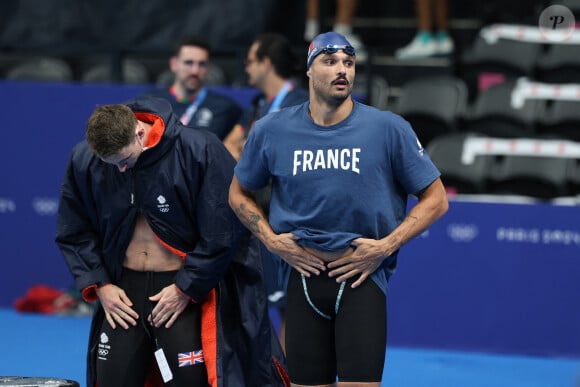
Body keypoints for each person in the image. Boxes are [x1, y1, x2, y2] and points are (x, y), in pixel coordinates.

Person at [228, 31, 449, 386]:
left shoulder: (388, 129)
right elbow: (238, 194)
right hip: (303, 279)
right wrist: (271, 241)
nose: (342, 69)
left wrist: (386, 246)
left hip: (361, 279)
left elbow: (436, 199)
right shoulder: (273, 129)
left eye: (348, 62)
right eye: (330, 62)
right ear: (309, 71)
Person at [55, 96, 289, 387]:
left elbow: (223, 230)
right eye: (111, 164)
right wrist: (100, 286)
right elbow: (73, 229)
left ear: (140, 133)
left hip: (182, 289)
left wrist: (185, 288)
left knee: (190, 381)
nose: (121, 171)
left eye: (125, 161)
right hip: (123, 293)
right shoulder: (85, 160)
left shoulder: (199, 149)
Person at [224, 32, 309, 351]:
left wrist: (252, 150)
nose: (246, 68)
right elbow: (229, 146)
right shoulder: (258, 105)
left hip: (291, 216)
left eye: (250, 61)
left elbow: (283, 153)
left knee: (292, 307)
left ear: (266, 63)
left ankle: (292, 378)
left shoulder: (300, 102)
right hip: (258, 215)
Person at [142, 35, 243, 141]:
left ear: (209, 67)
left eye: (202, 64)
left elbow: (243, 132)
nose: (195, 71)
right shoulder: (150, 103)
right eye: (188, 63)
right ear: (174, 64)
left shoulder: (225, 107)